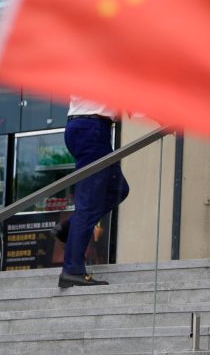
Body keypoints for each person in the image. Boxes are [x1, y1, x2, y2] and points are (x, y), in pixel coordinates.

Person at [53, 96, 130, 288]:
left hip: (85, 127)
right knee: (88, 204)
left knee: (117, 189)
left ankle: (69, 228)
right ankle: (72, 270)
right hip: (92, 129)